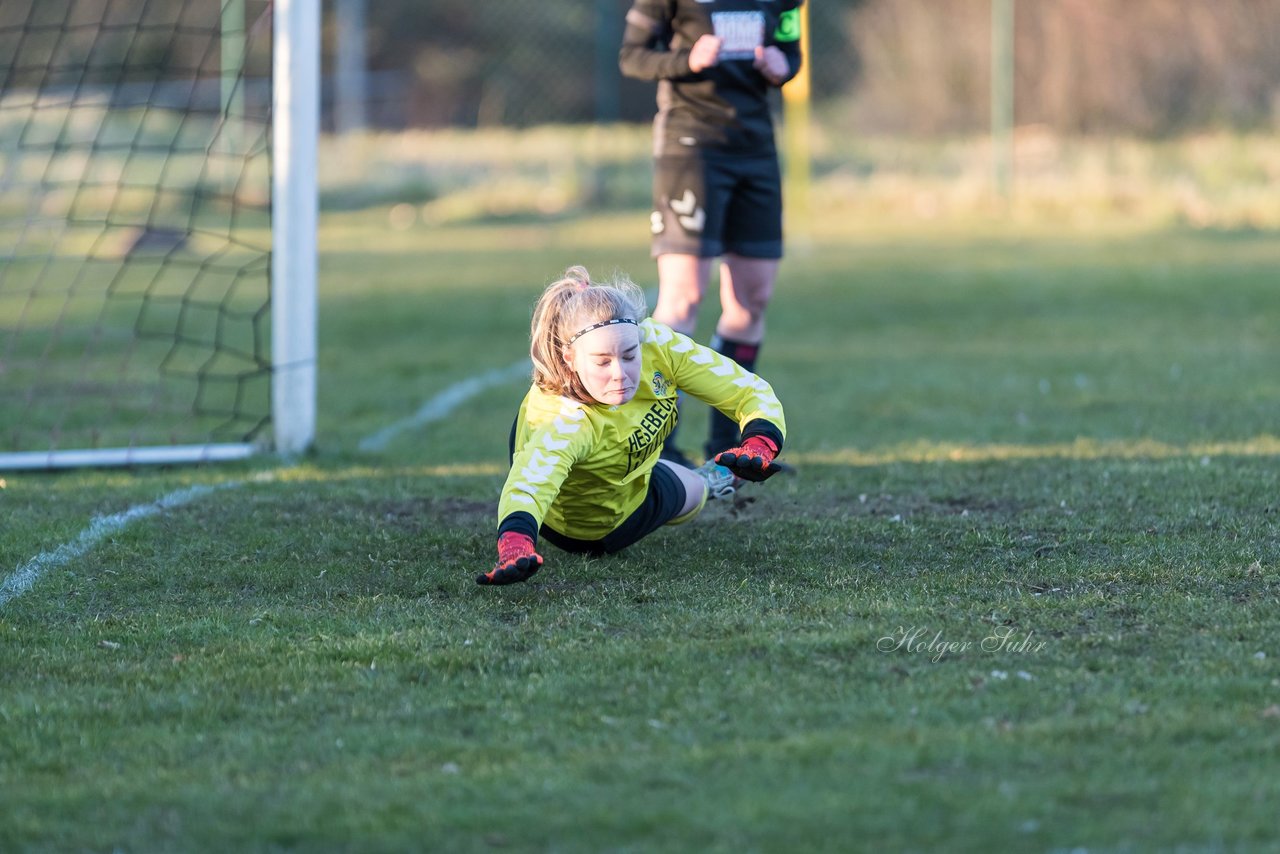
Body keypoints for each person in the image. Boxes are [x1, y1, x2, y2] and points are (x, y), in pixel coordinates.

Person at [478, 266, 788, 586]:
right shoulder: (563, 419)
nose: (620, 374)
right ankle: (713, 480)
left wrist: (760, 441)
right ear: (569, 358)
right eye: (602, 361)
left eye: (629, 355)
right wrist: (516, 543)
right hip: (585, 525)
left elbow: (747, 390)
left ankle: (713, 476)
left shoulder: (656, 344)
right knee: (695, 490)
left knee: (684, 480)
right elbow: (530, 485)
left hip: (635, 475)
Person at [619, 0, 804, 466]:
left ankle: (731, 445)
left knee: (751, 300)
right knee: (683, 299)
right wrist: (687, 60)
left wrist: (784, 64)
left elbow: (789, 48)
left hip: (756, 149)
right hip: (691, 145)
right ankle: (661, 448)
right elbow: (633, 55)